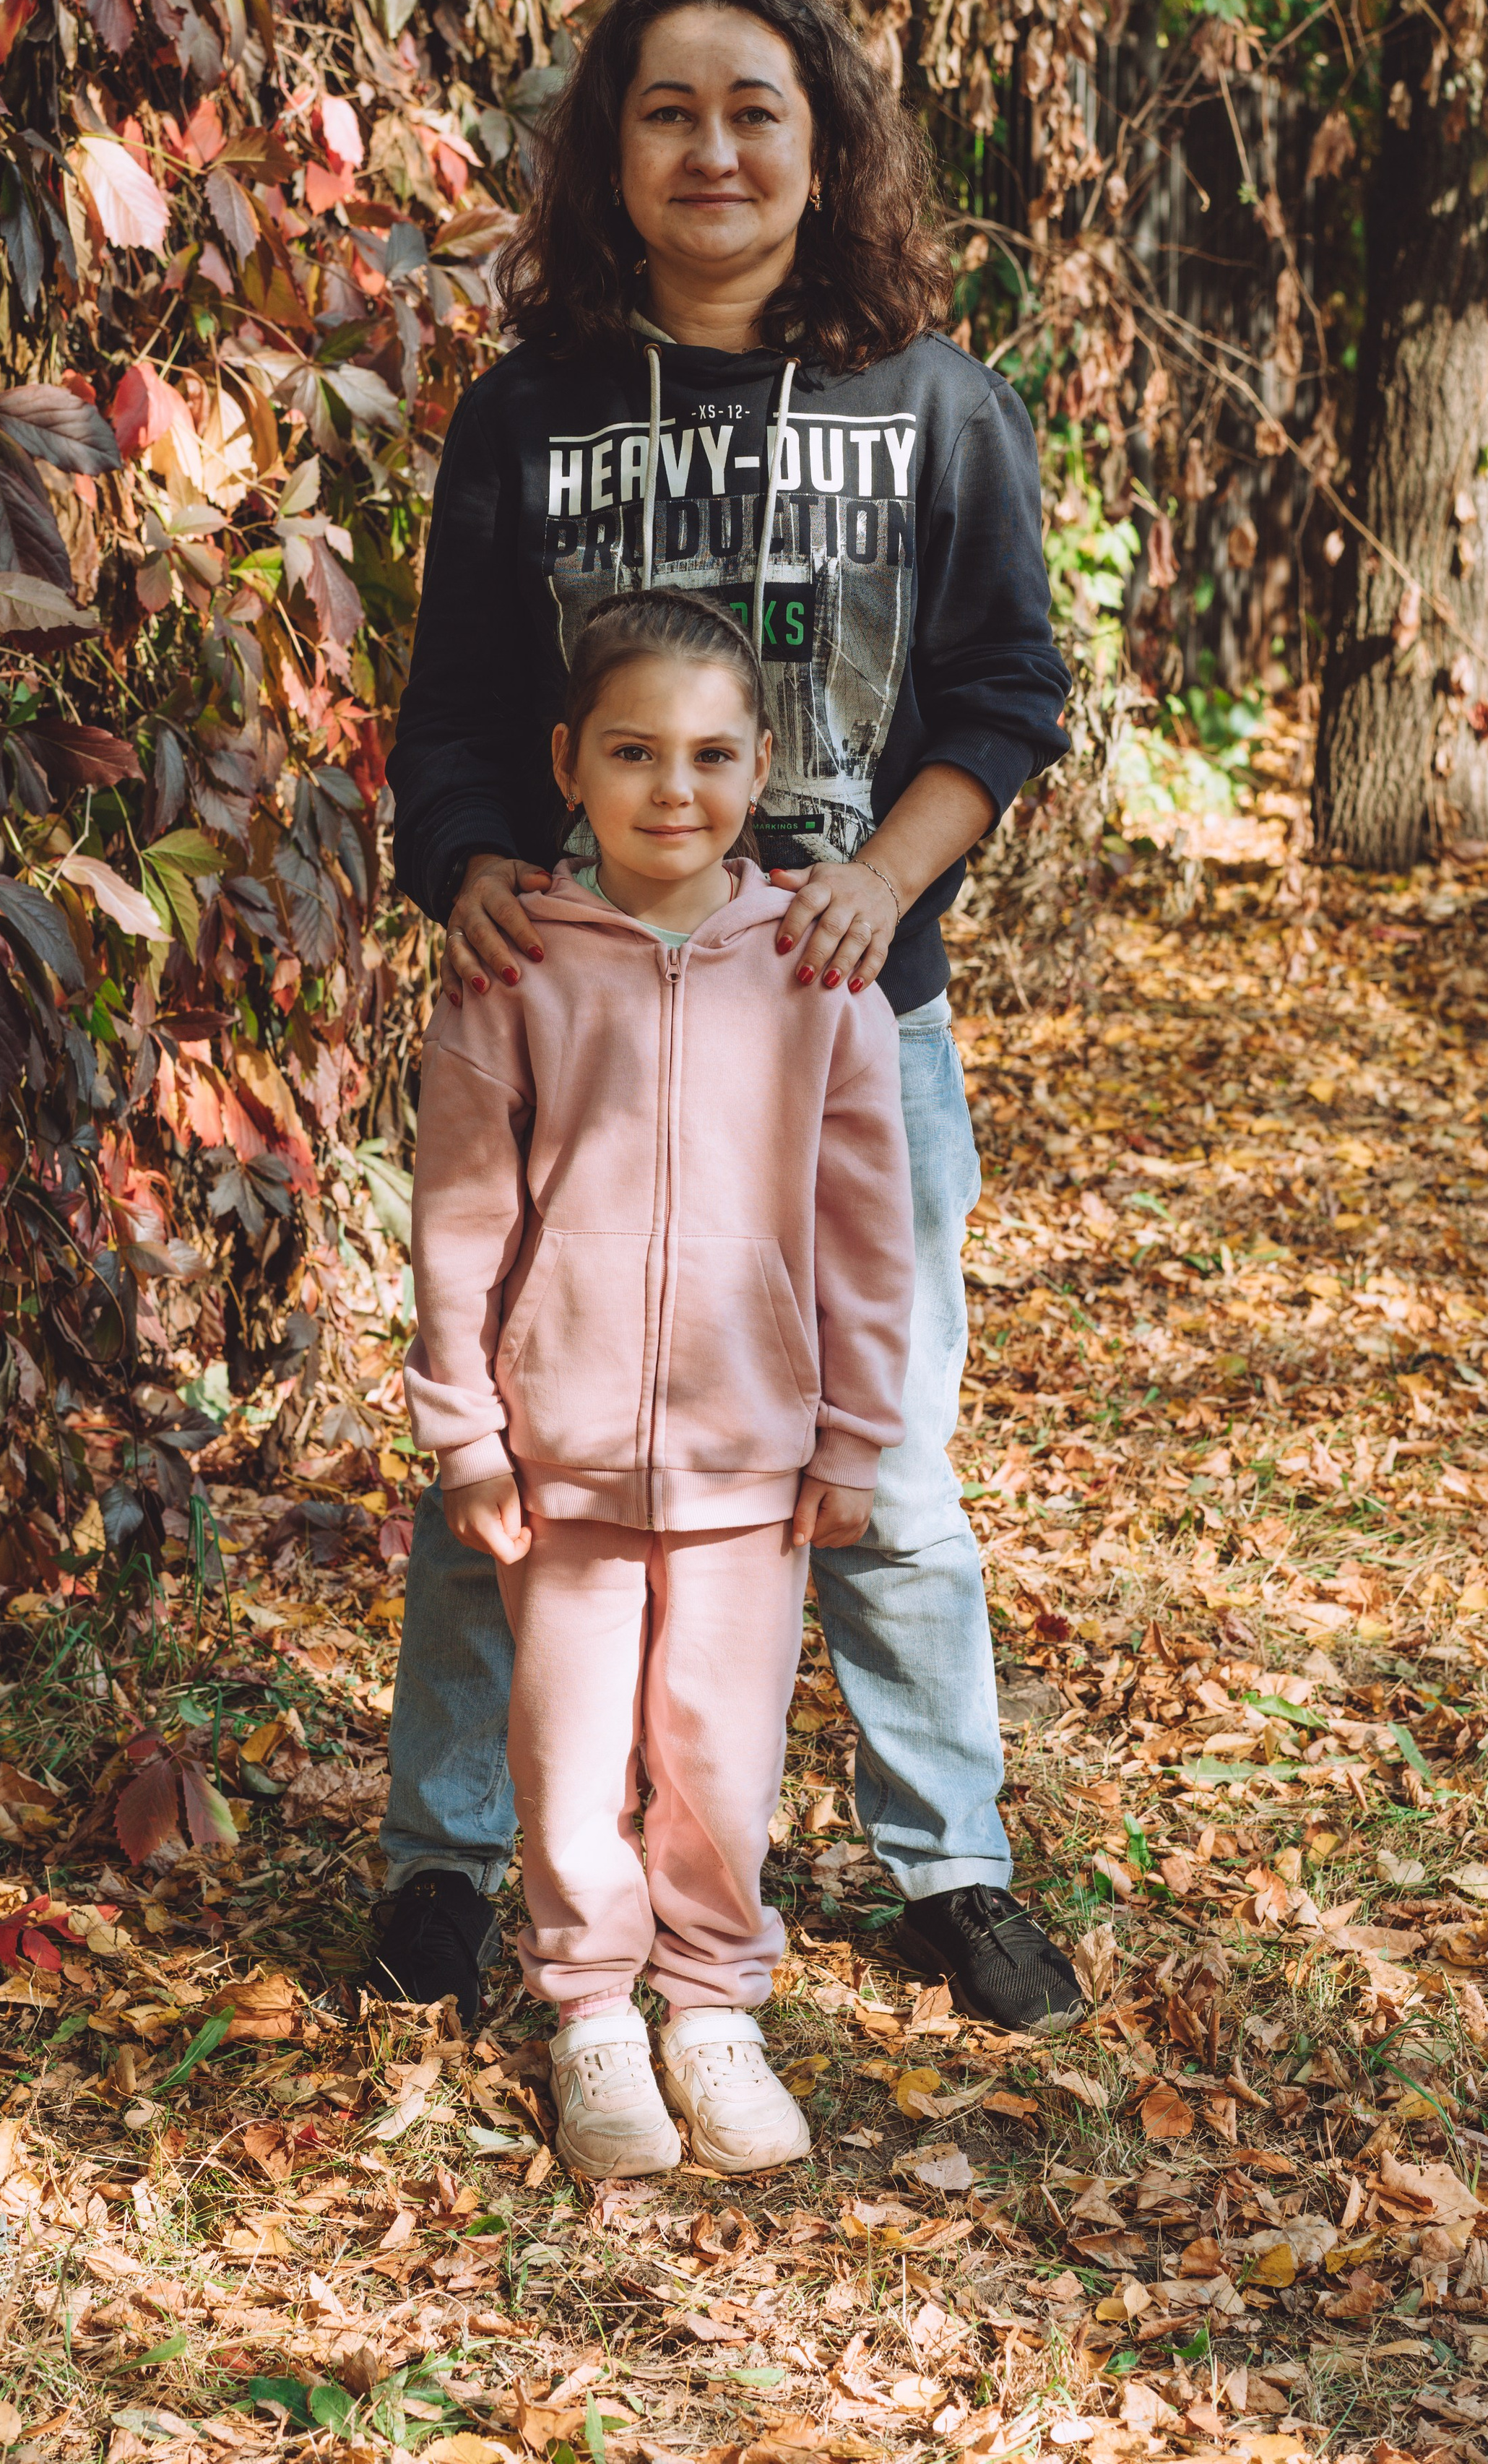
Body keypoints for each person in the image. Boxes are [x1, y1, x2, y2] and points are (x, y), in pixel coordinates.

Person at [376, 0, 1084, 2036]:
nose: (711, 147)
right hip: (582, 1030)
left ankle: (948, 1864)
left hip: (845, 1031)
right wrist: (475, 872)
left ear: (822, 144)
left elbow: (1007, 699)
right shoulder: (532, 413)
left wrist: (878, 874)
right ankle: (440, 1862)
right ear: (612, 150)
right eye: (666, 108)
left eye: (753, 108)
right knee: (517, 1441)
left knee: (884, 1463)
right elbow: (459, 722)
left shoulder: (936, 406)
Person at [405, 589, 913, 2174]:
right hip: (556, 1460)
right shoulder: (513, 971)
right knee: (565, 1756)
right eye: (632, 752)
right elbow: (458, 1224)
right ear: (568, 764)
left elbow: (865, 1233)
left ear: (758, 768)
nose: (670, 790)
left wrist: (853, 1432)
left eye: (706, 756)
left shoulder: (819, 975)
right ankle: (594, 2022)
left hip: (750, 1451)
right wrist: (468, 1433)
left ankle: (711, 2008)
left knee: (716, 1754)